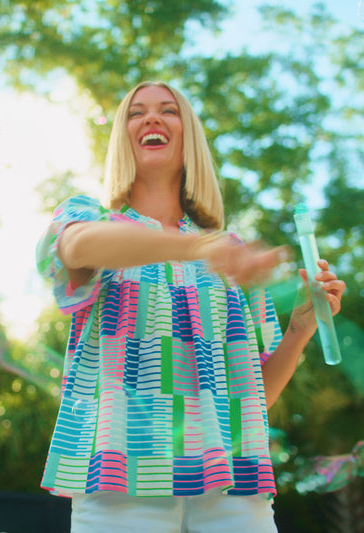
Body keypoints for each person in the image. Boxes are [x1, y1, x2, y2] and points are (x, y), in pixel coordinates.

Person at [36, 81, 345, 533]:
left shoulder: (231, 252)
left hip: (233, 479)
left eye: (168, 110)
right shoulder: (90, 219)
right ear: (123, 137)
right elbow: (79, 246)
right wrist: (196, 247)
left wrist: (301, 329)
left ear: (189, 136)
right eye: (136, 112)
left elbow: (254, 396)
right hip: (122, 473)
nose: (152, 118)